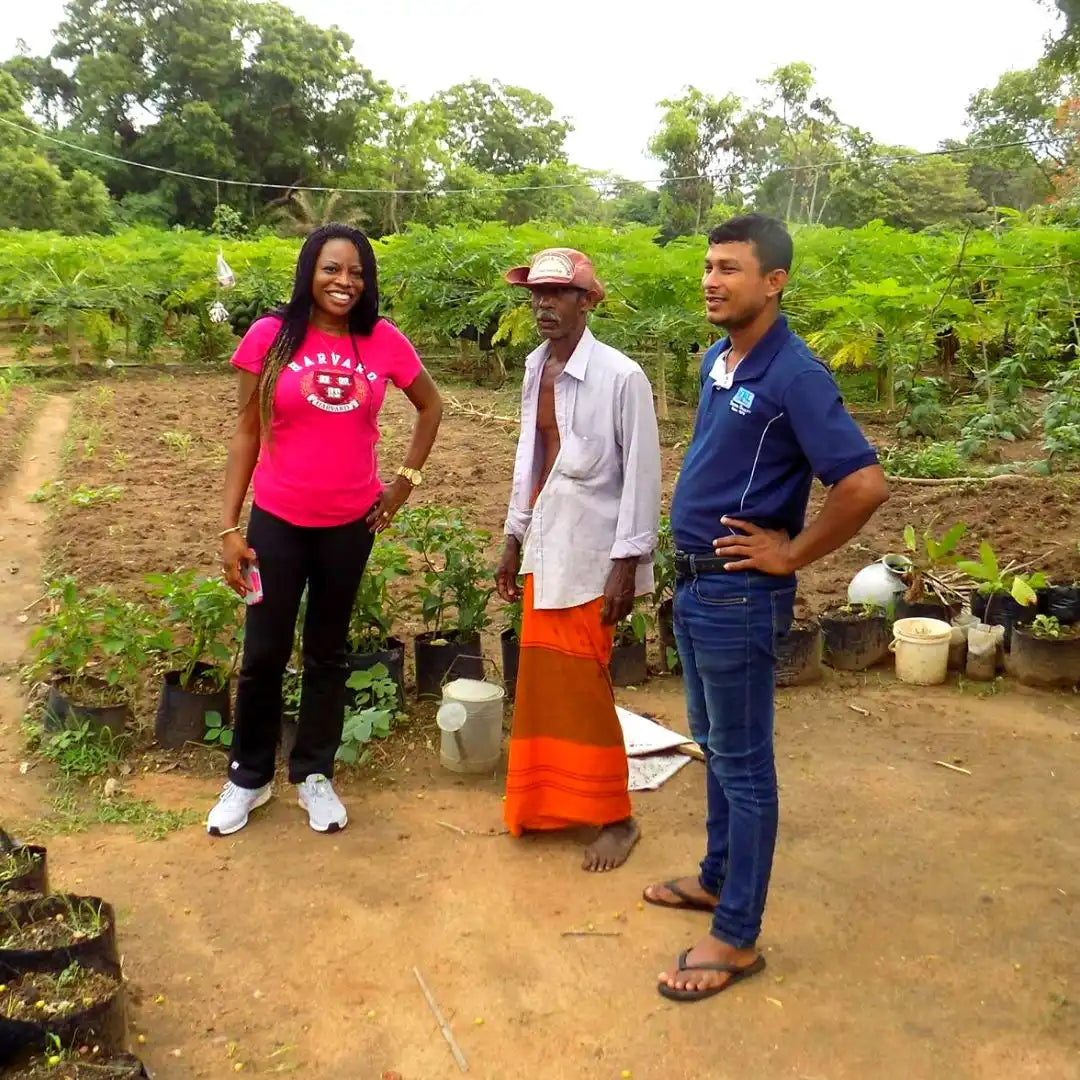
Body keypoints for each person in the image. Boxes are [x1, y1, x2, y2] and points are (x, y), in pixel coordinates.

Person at [645, 214, 888, 1000]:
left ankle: (738, 937)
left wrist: (790, 553)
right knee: (715, 744)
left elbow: (862, 484)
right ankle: (718, 879)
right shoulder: (722, 358)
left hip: (739, 595)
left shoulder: (796, 375)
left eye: (731, 268)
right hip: (697, 588)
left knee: (745, 767)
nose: (713, 280)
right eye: (708, 266)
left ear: (774, 281)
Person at [207, 223, 442, 837]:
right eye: (333, 269)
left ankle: (315, 774)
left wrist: (404, 483)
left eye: (357, 273)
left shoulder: (382, 341)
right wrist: (230, 526)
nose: (345, 282)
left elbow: (431, 405)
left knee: (327, 652)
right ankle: (248, 778)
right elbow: (245, 432)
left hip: (349, 526)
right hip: (276, 523)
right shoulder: (271, 336)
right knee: (262, 652)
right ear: (310, 271)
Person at [496, 248, 662, 872]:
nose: (543, 304)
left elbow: (643, 476)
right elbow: (529, 460)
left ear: (586, 302)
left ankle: (616, 816)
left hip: (595, 556)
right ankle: (545, 802)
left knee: (587, 688)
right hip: (546, 547)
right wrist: (513, 538)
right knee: (543, 686)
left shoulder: (622, 378)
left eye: (557, 294)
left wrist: (628, 562)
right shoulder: (534, 368)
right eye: (536, 294)